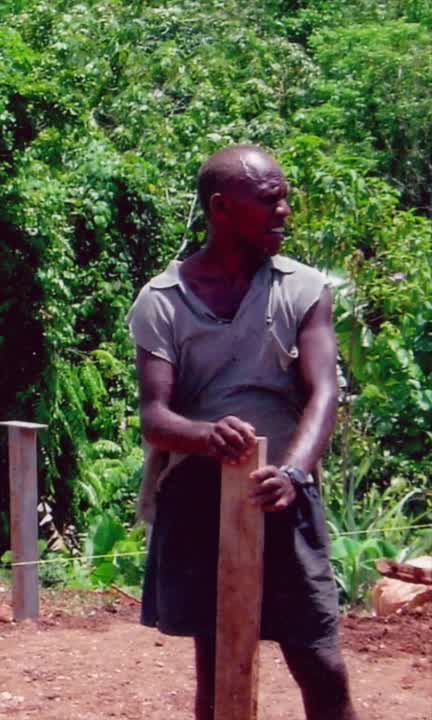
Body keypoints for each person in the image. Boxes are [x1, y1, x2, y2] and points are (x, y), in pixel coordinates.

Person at [129, 145, 358, 720]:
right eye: (269, 199)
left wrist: (295, 473)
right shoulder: (163, 300)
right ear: (221, 208)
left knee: (319, 660)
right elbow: (155, 418)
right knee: (221, 663)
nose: (284, 211)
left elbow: (324, 391)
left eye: (284, 197)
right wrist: (207, 437)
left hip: (281, 493)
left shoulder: (303, 290)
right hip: (199, 499)